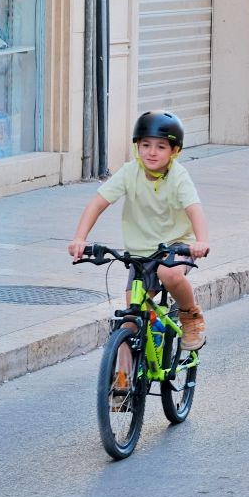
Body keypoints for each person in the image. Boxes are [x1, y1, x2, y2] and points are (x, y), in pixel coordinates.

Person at [69, 111, 211, 351]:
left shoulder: (179, 176)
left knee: (169, 274)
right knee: (129, 322)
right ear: (137, 146)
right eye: (145, 145)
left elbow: (194, 209)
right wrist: (80, 238)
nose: (152, 152)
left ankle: (191, 316)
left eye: (161, 146)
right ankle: (121, 384)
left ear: (174, 151)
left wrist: (201, 241)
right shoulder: (129, 172)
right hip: (140, 255)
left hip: (175, 246)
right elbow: (97, 203)